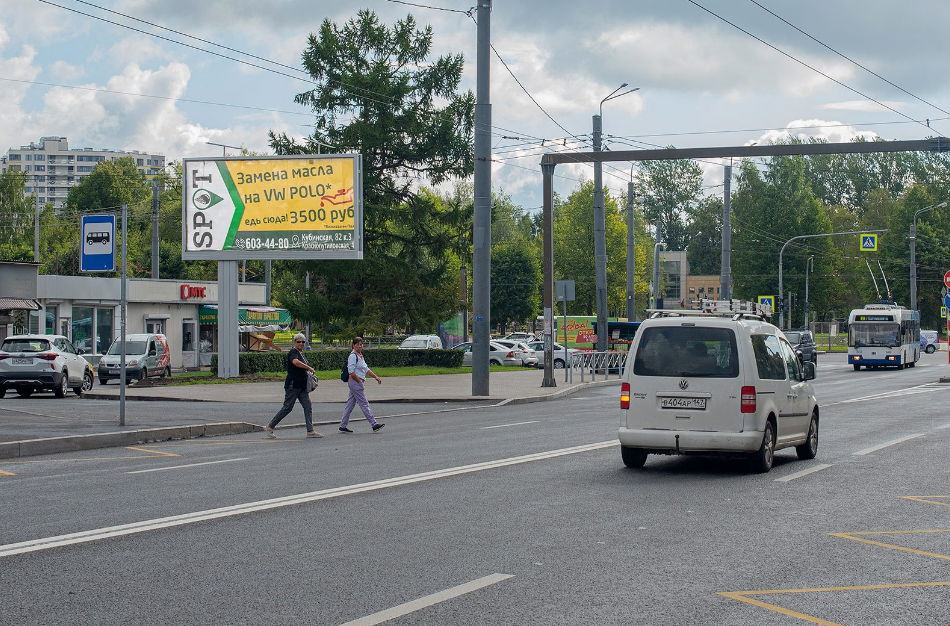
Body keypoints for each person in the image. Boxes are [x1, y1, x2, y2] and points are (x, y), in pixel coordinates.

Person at [264, 333, 323, 439]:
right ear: (295, 342)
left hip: (301, 386)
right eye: (298, 341)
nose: (301, 343)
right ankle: (270, 426)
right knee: (287, 407)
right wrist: (308, 367)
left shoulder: (301, 353)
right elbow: (295, 362)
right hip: (293, 385)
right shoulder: (293, 352)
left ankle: (310, 431)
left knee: (307, 406)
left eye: (303, 342)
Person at [339, 336, 385, 433]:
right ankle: (374, 424)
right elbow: (351, 371)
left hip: (356, 382)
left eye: (361, 344)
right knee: (364, 403)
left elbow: (366, 369)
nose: (359, 346)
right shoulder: (353, 356)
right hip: (355, 382)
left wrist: (375, 377)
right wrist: (359, 381)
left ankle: (343, 425)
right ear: (353, 345)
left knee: (350, 404)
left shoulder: (360, 356)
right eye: (357, 344)